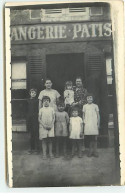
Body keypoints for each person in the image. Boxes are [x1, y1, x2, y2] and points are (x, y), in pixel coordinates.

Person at [83, 93, 100, 157]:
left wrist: (98, 123)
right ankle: (90, 151)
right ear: (86, 99)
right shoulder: (84, 106)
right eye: (88, 98)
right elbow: (83, 115)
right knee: (90, 138)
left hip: (94, 123)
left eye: (90, 98)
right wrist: (84, 123)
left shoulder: (95, 106)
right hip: (88, 123)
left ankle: (95, 151)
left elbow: (98, 115)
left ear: (93, 99)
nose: (89, 99)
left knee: (95, 138)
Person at [27, 88, 39, 154]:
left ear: (36, 94)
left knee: (36, 134)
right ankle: (32, 148)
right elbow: (27, 110)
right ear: (30, 93)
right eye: (32, 92)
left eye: (34, 93)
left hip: (35, 118)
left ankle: (37, 149)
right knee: (31, 135)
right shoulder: (28, 100)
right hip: (30, 118)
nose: (33, 94)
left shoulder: (37, 101)